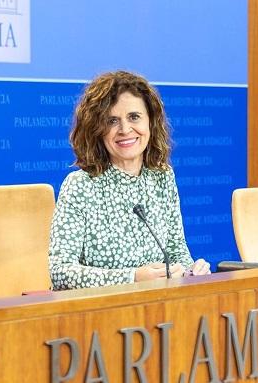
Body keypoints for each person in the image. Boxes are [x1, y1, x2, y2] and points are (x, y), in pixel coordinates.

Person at [48, 70, 210, 290]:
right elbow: (61, 272)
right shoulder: (80, 185)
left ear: (150, 122)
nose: (125, 129)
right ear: (97, 130)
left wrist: (191, 271)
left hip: (155, 309)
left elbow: (175, 249)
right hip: (97, 312)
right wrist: (132, 277)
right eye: (112, 121)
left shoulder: (162, 177)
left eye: (134, 117)